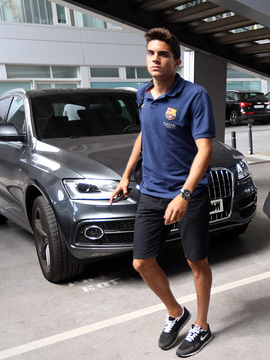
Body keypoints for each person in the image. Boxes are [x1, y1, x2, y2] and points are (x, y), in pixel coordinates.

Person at [110, 27, 215, 358]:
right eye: (151, 53)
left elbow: (205, 150)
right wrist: (126, 176)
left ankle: (201, 324)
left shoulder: (195, 96)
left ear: (177, 61)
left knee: (196, 261)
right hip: (152, 191)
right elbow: (144, 135)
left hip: (189, 193)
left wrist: (184, 194)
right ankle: (175, 312)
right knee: (141, 261)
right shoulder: (143, 93)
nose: (156, 58)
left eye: (163, 54)